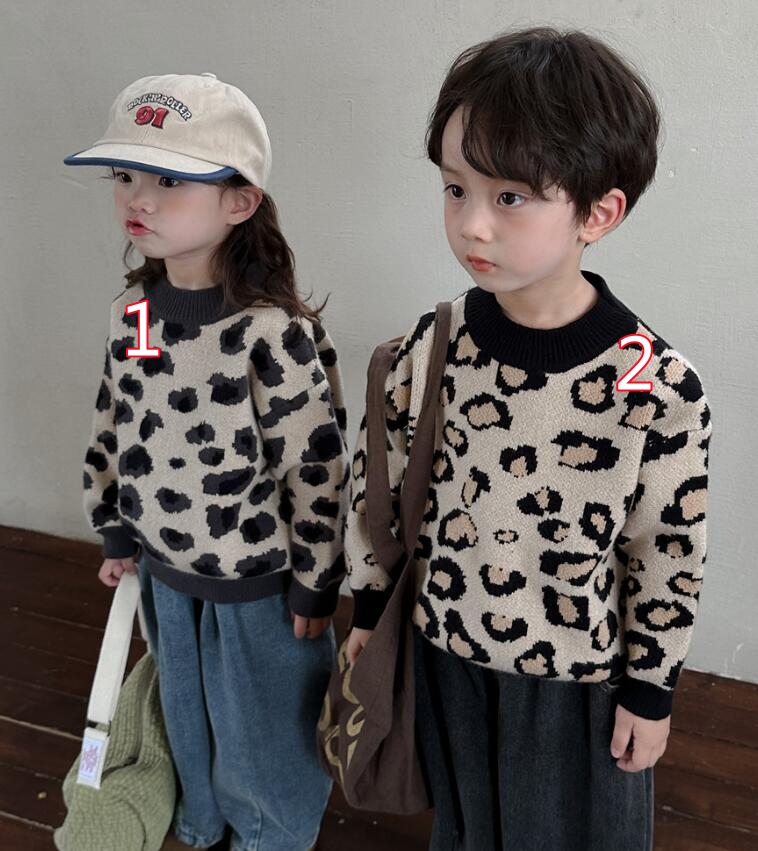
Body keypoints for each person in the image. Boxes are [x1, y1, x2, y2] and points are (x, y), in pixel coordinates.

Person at [343, 28, 711, 851]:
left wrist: (651, 690)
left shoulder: (654, 384)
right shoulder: (433, 344)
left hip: (576, 680)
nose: (472, 224)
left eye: (510, 197)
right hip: (445, 649)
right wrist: (369, 603)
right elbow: (380, 479)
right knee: (467, 828)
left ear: (598, 212)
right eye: (455, 188)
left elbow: (668, 548)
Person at [65, 72, 349, 851]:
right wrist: (116, 525)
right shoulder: (135, 317)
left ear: (239, 201)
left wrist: (315, 577)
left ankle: (269, 836)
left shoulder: (270, 333)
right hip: (165, 571)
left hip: (256, 582)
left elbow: (316, 467)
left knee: (264, 732)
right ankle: (200, 820)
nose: (139, 199)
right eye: (126, 175)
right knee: (184, 716)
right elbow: (117, 420)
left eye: (169, 181)